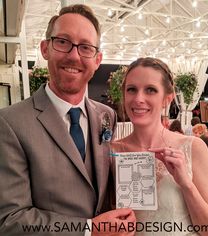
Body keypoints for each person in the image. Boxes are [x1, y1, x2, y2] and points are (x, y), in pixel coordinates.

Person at [0, 4, 135, 236]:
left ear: (97, 59)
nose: (74, 56)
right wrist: (89, 230)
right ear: (45, 49)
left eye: (85, 47)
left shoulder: (106, 115)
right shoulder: (10, 123)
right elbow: (11, 220)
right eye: (63, 42)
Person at [111, 57, 208, 235]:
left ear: (167, 99)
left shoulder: (192, 147)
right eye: (132, 89)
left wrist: (186, 184)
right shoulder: (111, 152)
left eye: (150, 90)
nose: (139, 98)